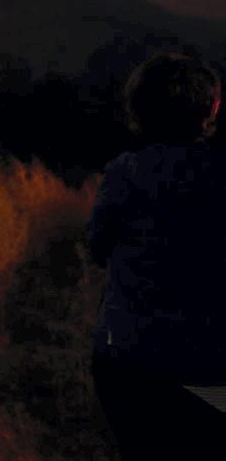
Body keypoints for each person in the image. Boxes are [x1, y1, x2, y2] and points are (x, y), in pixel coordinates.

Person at [87, 52, 226, 458]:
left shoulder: (125, 173)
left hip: (127, 362)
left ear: (139, 108)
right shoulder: (218, 175)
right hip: (209, 365)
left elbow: (97, 247)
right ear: (210, 108)